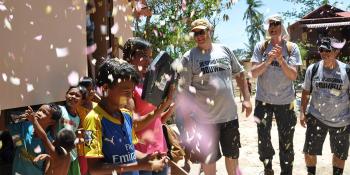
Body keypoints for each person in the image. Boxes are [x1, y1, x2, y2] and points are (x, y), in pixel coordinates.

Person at [176, 18, 252, 175]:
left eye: (202, 31)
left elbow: (240, 74)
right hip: (204, 120)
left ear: (209, 31)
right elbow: (183, 92)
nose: (199, 36)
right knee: (208, 159)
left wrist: (246, 99)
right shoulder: (189, 57)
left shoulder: (225, 50)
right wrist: (188, 120)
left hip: (229, 117)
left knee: (232, 156)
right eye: (195, 33)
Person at [83, 58, 167, 175]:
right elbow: (94, 168)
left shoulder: (126, 115)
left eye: (132, 91)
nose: (131, 96)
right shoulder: (93, 119)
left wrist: (146, 157)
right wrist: (139, 165)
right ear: (106, 89)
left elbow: (130, 151)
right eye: (127, 91)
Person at [250, 14, 302, 175]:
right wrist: (267, 61)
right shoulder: (261, 46)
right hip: (263, 101)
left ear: (281, 26)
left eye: (276, 24)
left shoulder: (291, 48)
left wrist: (281, 60)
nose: (272, 27)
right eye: (270, 24)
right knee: (263, 139)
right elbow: (253, 73)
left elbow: (293, 75)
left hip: (286, 102)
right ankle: (268, 168)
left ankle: (286, 171)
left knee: (286, 140)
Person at [123, 37, 175, 175]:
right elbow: (135, 126)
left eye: (150, 57)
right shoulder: (127, 88)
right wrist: (164, 106)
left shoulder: (148, 84)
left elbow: (157, 121)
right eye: (143, 56)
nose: (149, 61)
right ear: (130, 57)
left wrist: (172, 105)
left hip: (160, 150)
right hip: (142, 155)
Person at [300, 36, 349, 175]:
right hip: (316, 117)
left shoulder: (347, 71)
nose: (324, 53)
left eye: (328, 50)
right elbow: (305, 92)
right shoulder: (313, 69)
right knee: (309, 151)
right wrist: (302, 112)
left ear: (336, 51)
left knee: (340, 154)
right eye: (322, 50)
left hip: (342, 120)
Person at [0, 104, 62, 175]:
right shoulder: (25, 125)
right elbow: (2, 127)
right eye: (39, 110)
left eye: (44, 112)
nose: (39, 113)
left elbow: (48, 166)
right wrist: (3, 107)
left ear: (52, 122)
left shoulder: (49, 141)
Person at [25, 106, 76, 175]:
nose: (52, 141)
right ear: (73, 146)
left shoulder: (54, 153)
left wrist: (34, 120)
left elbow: (44, 137)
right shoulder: (69, 156)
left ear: (55, 142)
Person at [57, 85, 85, 175]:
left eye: (77, 95)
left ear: (81, 100)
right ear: (66, 95)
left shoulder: (77, 118)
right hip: (60, 156)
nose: (73, 96)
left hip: (73, 157)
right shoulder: (60, 110)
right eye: (71, 94)